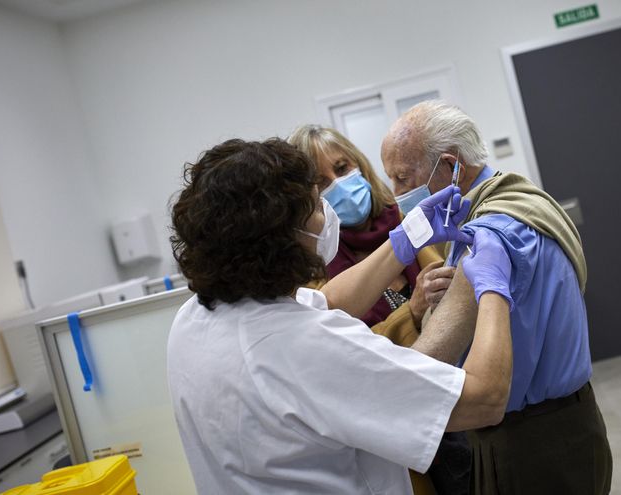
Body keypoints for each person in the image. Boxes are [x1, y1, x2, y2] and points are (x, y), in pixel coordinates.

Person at [166, 137, 514, 495]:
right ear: (287, 239)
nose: (328, 212)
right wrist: (491, 287)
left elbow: (326, 300)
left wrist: (408, 237)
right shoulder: (305, 349)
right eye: (317, 206)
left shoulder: (194, 318)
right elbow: (484, 399)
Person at [381, 101, 613, 494]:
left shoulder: (489, 236)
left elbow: (428, 360)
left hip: (531, 444)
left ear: (452, 166)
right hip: (574, 421)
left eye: (403, 178)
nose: (396, 195)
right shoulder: (524, 199)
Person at [287, 125, 469, 494]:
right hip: (399, 431)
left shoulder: (406, 221)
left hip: (459, 397)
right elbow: (340, 355)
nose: (338, 184)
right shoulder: (310, 267)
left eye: (342, 168)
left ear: (360, 165)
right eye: (321, 183)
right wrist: (412, 312)